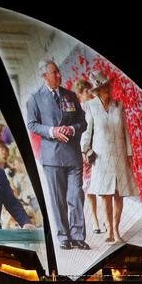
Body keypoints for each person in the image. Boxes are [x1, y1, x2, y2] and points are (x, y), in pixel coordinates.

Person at [26, 59, 89, 250]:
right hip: (52, 157)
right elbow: (32, 124)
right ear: (44, 76)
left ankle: (78, 235)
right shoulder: (35, 98)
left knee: (76, 195)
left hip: (73, 155)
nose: (59, 75)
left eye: (59, 72)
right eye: (55, 73)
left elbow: (83, 123)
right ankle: (64, 236)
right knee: (58, 198)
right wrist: (52, 131)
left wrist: (71, 128)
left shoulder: (70, 96)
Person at [81, 71, 138, 243]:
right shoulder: (90, 106)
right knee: (105, 195)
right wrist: (85, 149)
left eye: (108, 86)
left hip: (119, 155)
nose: (108, 89)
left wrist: (129, 154)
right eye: (104, 87)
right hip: (101, 157)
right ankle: (109, 231)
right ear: (97, 90)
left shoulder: (119, 105)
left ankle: (116, 230)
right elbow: (87, 130)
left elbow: (126, 132)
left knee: (119, 194)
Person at [73, 78, 102, 235]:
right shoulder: (80, 110)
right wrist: (83, 151)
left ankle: (104, 220)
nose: (88, 93)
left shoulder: (97, 106)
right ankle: (96, 221)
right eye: (85, 91)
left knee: (105, 187)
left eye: (89, 89)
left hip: (100, 150)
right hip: (86, 152)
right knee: (90, 188)